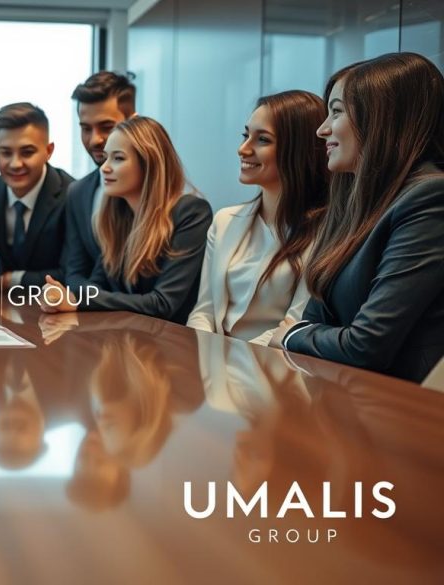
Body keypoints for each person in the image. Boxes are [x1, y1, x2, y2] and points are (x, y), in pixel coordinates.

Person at [272, 52, 444, 383]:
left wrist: (294, 335)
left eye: (336, 112)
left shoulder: (429, 197)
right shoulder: (357, 204)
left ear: (381, 117)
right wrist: (305, 333)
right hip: (345, 397)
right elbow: (318, 316)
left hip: (407, 412)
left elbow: (365, 345)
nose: (322, 130)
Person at [187, 91, 328, 345]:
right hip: (215, 367)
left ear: (298, 150)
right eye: (245, 135)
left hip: (275, 370)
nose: (243, 149)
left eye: (262, 139)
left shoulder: (326, 230)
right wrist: (207, 362)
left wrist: (232, 361)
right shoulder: (224, 220)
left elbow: (295, 325)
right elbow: (204, 312)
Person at [39, 117, 212, 324]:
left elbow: (163, 303)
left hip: (172, 344)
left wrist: (79, 300)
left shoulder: (191, 213)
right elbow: (96, 285)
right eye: (105, 158)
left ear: (148, 163)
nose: (104, 167)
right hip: (128, 339)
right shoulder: (119, 218)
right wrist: (66, 296)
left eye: (118, 158)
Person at [0, 103, 74, 290]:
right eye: (6, 153)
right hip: (1, 308)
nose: (15, 164)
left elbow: (72, 273)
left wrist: (14, 280)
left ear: (48, 151)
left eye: (27, 152)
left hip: (58, 309)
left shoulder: (72, 195)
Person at [63, 71, 137, 291]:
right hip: (98, 320)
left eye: (106, 127)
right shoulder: (77, 192)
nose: (95, 139)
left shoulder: (172, 197)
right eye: (86, 128)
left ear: (134, 123)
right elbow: (75, 271)